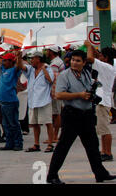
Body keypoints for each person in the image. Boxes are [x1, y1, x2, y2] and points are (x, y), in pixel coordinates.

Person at [47, 50, 116, 184]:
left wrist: (91, 95)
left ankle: (100, 173)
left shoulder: (86, 74)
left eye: (78, 60)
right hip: (72, 114)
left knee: (92, 146)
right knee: (63, 146)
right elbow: (59, 95)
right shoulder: (64, 75)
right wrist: (79, 95)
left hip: (87, 115)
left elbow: (89, 90)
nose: (74, 63)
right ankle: (52, 175)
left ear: (84, 63)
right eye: (73, 60)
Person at [17, 51, 55, 153]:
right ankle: (36, 144)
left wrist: (44, 70)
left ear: (38, 58)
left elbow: (50, 80)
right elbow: (21, 67)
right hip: (33, 100)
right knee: (34, 123)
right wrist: (19, 58)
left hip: (44, 100)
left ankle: (51, 144)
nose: (31, 60)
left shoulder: (48, 68)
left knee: (48, 122)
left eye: (32, 58)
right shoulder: (30, 69)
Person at [85, 41, 115, 162]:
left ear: (106, 58)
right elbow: (95, 57)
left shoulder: (106, 66)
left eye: (102, 55)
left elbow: (89, 58)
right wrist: (93, 48)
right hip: (103, 101)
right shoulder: (107, 66)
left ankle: (108, 152)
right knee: (102, 129)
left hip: (103, 101)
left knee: (105, 129)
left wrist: (88, 46)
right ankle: (104, 151)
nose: (99, 57)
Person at [0, 52, 23, 151]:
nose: (3, 62)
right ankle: (9, 143)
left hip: (11, 101)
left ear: (11, 61)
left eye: (5, 60)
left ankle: (18, 143)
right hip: (3, 102)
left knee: (13, 123)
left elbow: (19, 66)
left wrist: (19, 57)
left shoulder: (14, 70)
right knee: (6, 124)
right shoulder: (4, 70)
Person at [46, 46, 65, 143]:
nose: (46, 52)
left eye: (47, 50)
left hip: (56, 90)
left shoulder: (55, 64)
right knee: (56, 113)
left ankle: (55, 136)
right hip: (58, 90)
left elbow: (52, 79)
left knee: (56, 113)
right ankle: (54, 135)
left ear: (51, 52)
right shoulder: (57, 61)